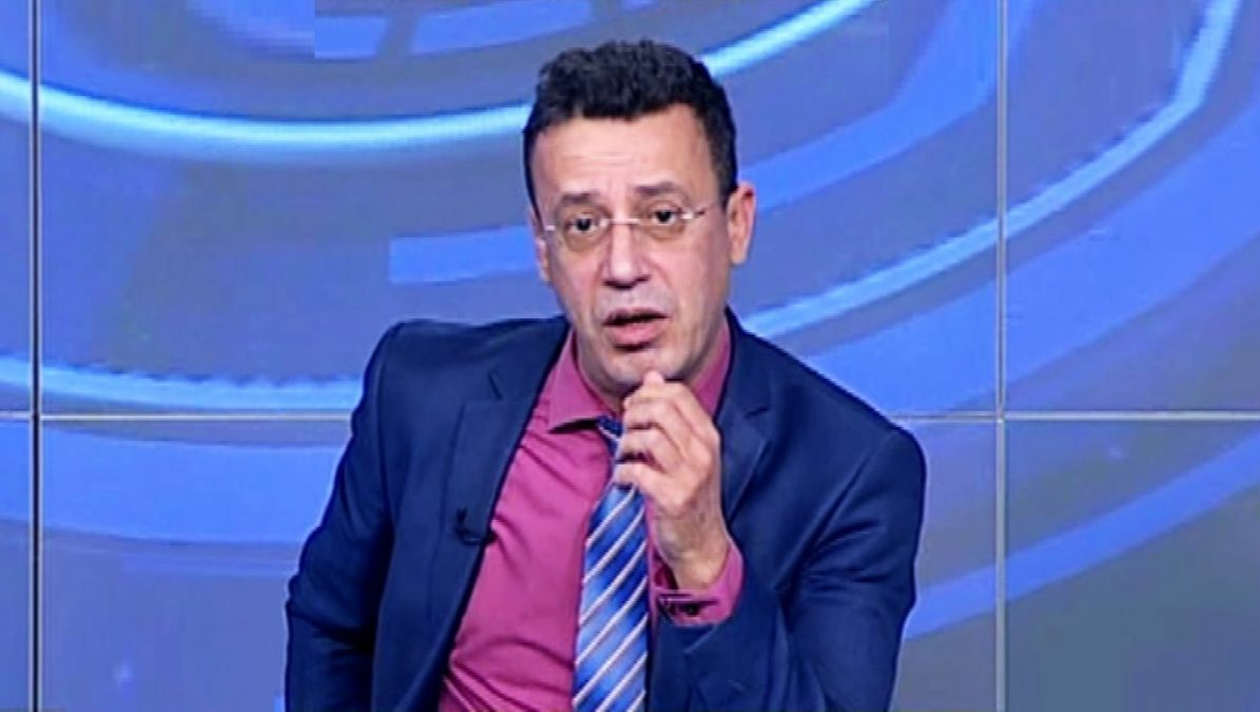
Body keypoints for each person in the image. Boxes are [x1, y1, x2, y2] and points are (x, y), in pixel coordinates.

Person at [285, 39, 926, 712]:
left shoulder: (853, 475)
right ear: (543, 248)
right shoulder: (421, 394)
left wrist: (705, 558)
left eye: (663, 217)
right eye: (583, 225)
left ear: (737, 224)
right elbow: (330, 624)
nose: (623, 267)